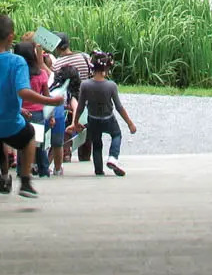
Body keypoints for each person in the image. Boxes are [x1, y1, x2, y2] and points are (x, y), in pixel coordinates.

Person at [0, 14, 63, 214]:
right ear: (11, 37)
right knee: (29, 137)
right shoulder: (17, 62)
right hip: (9, 122)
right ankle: (25, 178)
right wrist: (50, 101)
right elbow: (22, 91)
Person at [80, 51, 138, 177]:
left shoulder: (85, 85)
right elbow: (119, 107)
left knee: (96, 143)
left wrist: (75, 122)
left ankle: (98, 169)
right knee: (116, 135)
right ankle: (112, 157)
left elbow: (80, 106)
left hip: (93, 119)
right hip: (108, 118)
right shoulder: (111, 86)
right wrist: (130, 123)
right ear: (106, 69)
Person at [51, 33, 94, 164]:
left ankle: (66, 154)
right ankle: (85, 157)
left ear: (57, 47)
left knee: (66, 130)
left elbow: (55, 82)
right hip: (86, 98)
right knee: (85, 130)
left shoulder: (57, 64)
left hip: (67, 102)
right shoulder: (85, 57)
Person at [15, 41, 54, 178]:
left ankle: (21, 170)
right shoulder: (42, 74)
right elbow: (47, 96)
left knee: (21, 143)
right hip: (38, 112)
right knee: (39, 143)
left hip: (20, 112)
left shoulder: (16, 74)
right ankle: (44, 169)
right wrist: (51, 115)